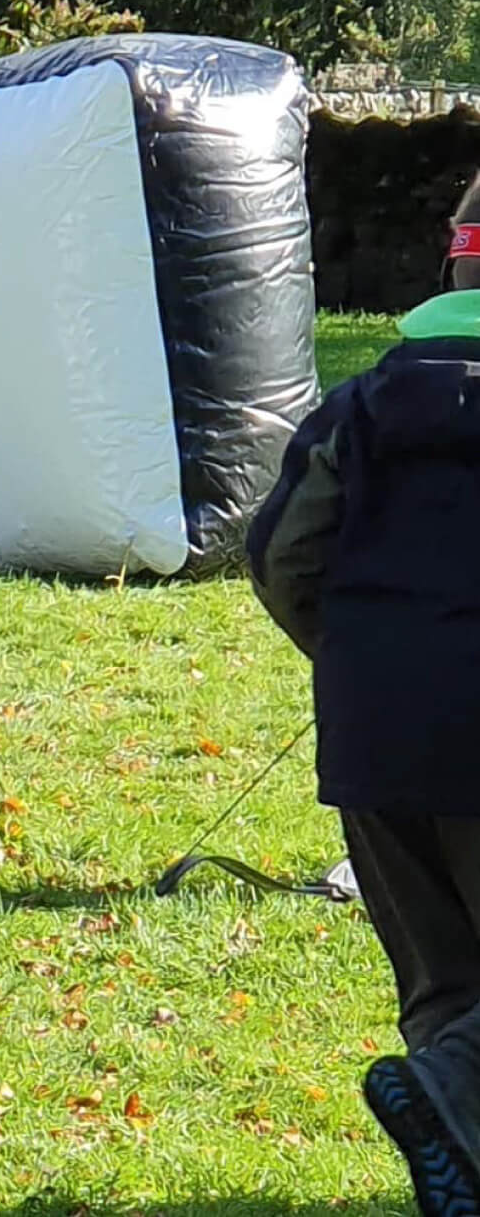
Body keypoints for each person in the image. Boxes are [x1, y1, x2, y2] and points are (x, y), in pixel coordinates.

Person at [248, 270, 480, 1217]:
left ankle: (458, 1164)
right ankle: (448, 1093)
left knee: (443, 985)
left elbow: (281, 557)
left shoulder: (359, 406)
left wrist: (366, 662)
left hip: (374, 733)